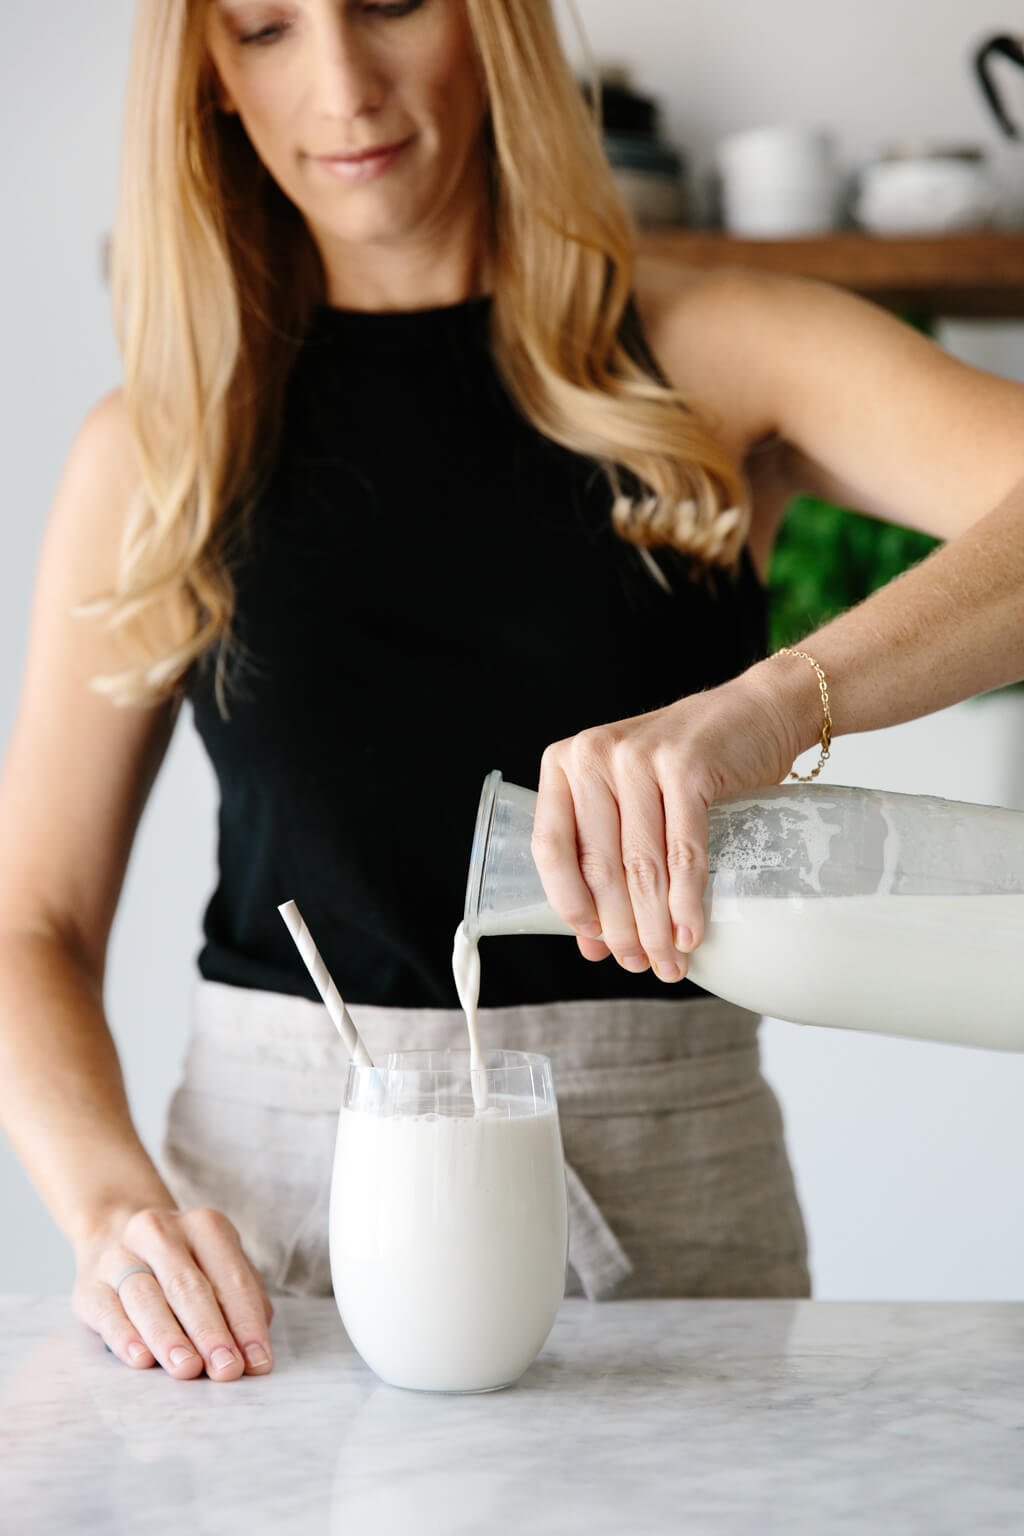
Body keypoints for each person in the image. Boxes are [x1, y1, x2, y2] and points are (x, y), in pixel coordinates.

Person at [2, 0, 1023, 1385]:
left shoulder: (717, 352)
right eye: (264, 28)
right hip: (270, 1253)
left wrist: (783, 700)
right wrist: (111, 1209)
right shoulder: (155, 449)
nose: (344, 86)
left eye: (390, 5)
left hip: (671, 1214)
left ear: (491, 26)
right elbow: (33, 923)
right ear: (210, 85)